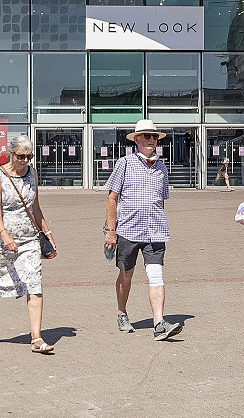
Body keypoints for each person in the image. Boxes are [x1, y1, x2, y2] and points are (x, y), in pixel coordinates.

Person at [103, 119, 183, 340]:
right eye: (146, 136)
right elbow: (112, 198)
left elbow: (161, 201)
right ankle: (121, 312)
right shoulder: (124, 163)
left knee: (156, 274)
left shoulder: (162, 167)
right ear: (136, 139)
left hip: (156, 231)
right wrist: (111, 230)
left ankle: (159, 323)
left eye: (154, 136)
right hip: (128, 230)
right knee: (126, 274)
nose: (150, 140)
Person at [0, 135, 56, 354]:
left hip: (29, 238)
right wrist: (5, 236)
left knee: (35, 284)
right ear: (11, 154)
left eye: (29, 156)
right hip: (2, 239)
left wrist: (47, 232)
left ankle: (36, 338)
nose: (25, 160)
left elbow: (36, 206)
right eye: (21, 156)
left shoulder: (32, 173)